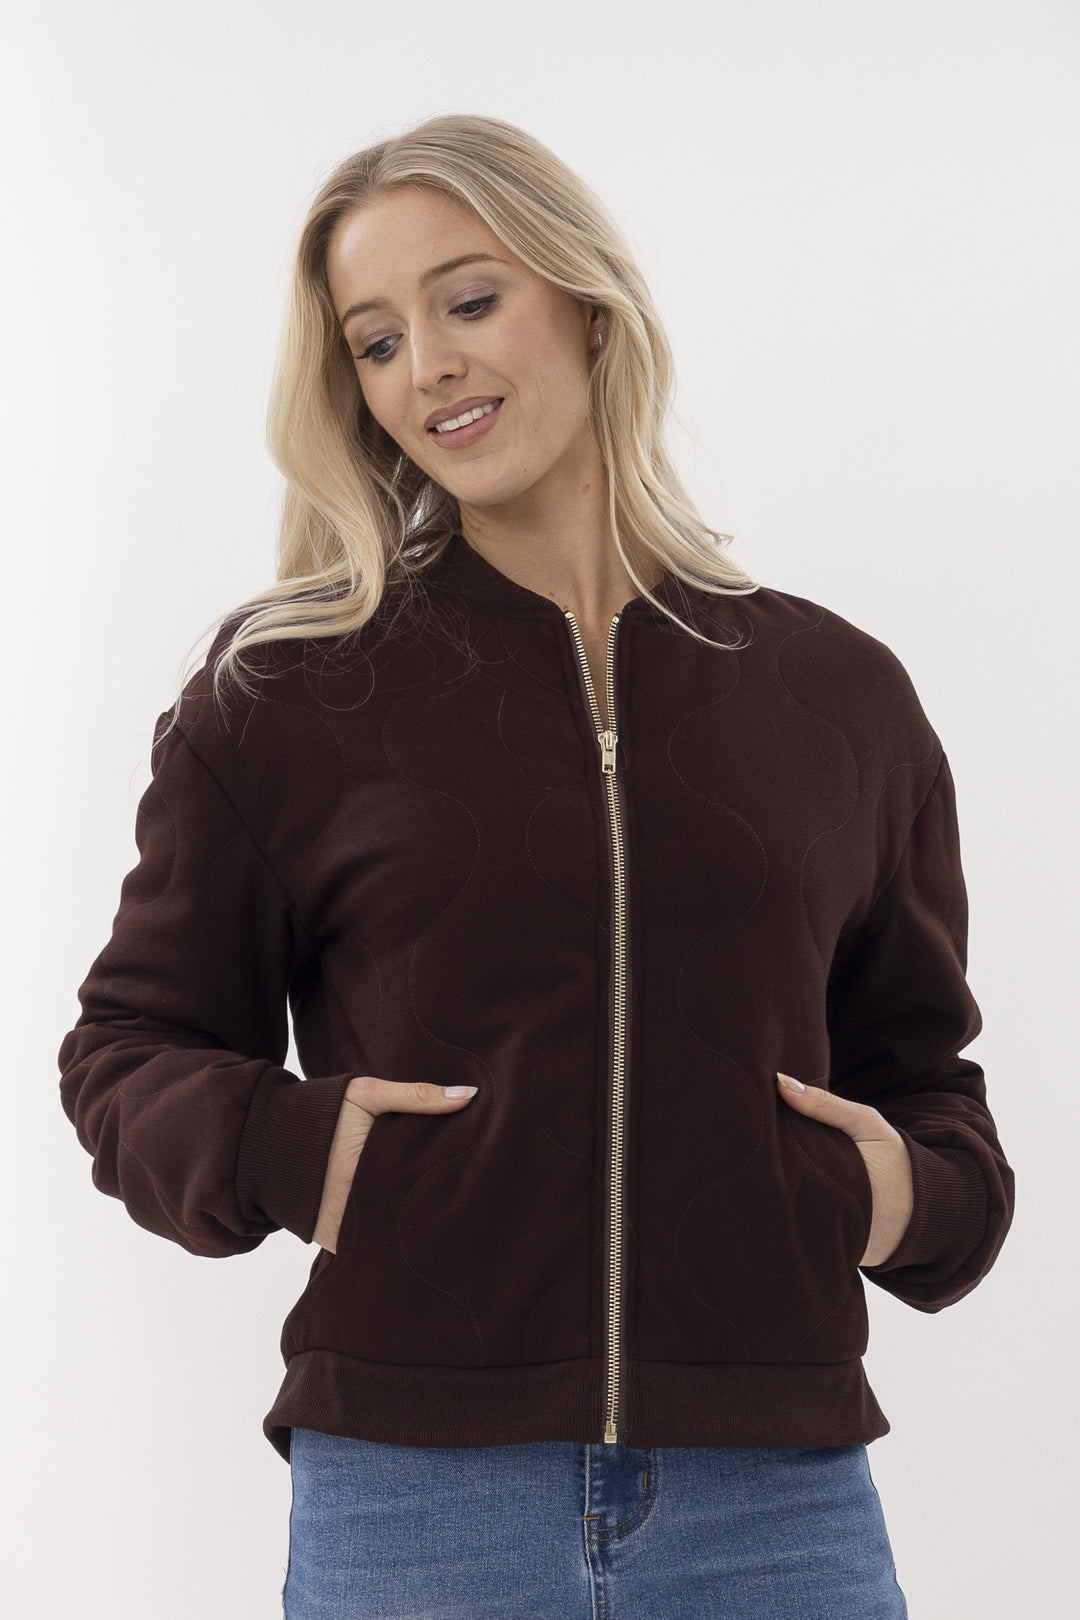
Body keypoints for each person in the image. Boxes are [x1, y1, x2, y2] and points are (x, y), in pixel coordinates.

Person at [57, 112, 1015, 1620]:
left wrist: (891, 1194)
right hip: (416, 1498)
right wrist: (298, 1149)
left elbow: (932, 1086)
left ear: (587, 304)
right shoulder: (290, 692)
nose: (426, 367)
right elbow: (127, 1047)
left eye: (469, 300)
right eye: (376, 342)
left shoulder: (836, 697)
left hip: (775, 1501)